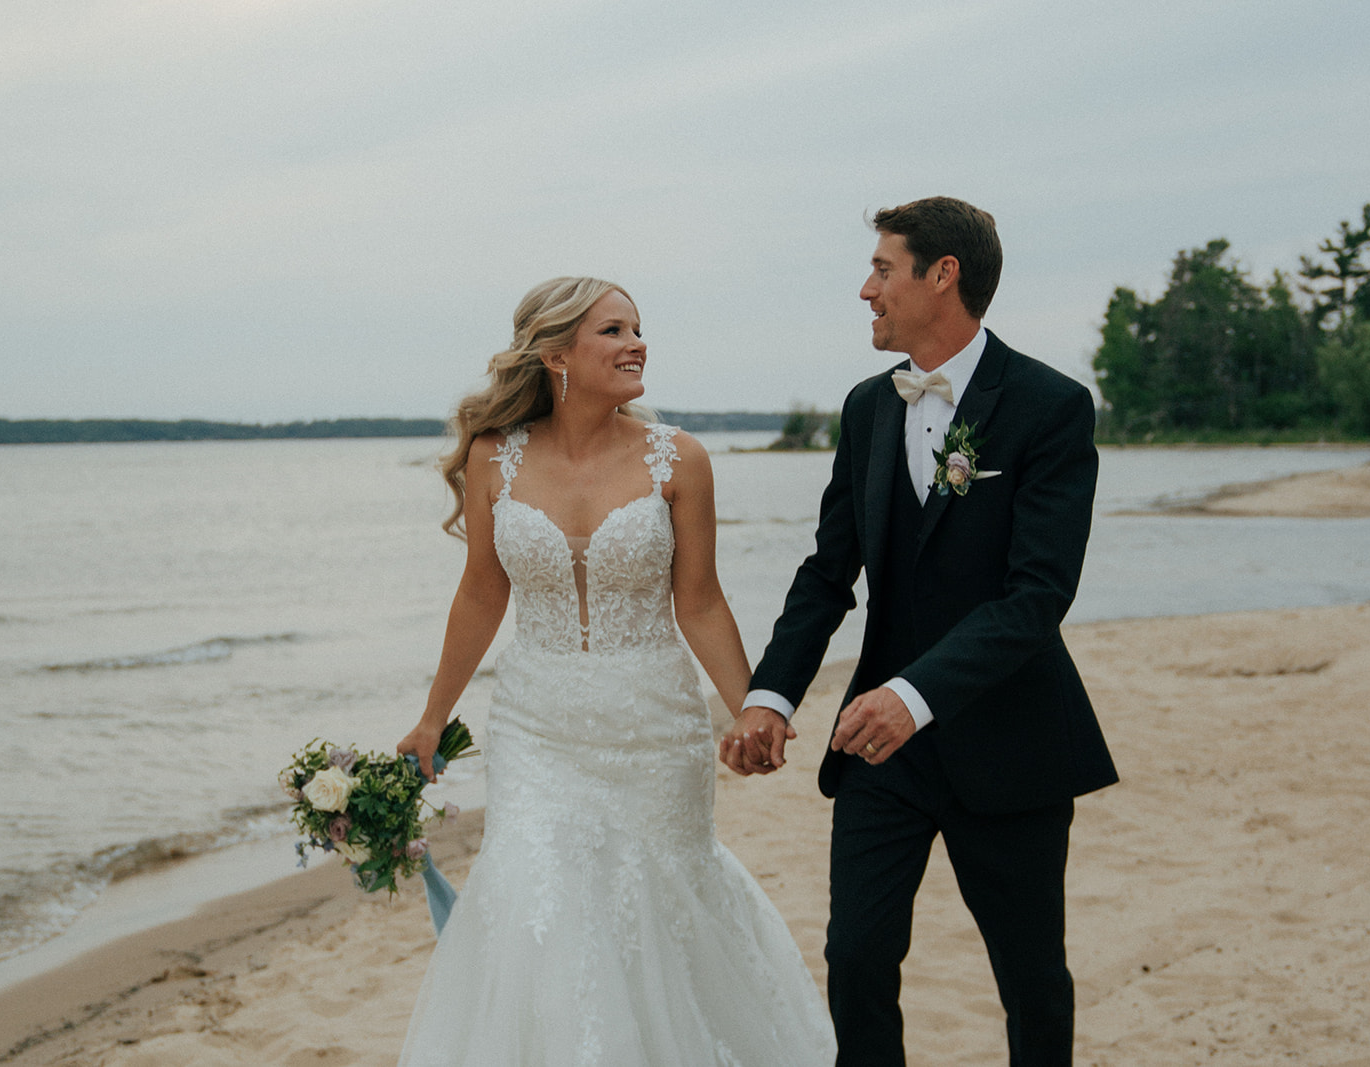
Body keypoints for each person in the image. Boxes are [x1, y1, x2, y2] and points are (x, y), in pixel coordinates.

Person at [395, 277, 836, 1065]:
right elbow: (482, 593)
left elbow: (698, 602)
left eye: (637, 328)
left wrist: (751, 709)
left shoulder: (680, 460)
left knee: (658, 906)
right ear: (557, 353)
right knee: (543, 898)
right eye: (614, 330)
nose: (637, 343)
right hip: (537, 727)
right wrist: (433, 717)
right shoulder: (495, 460)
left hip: (654, 729)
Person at [722, 198, 1119, 1067]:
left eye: (883, 269)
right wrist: (770, 695)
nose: (866, 289)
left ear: (945, 275)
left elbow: (1037, 595)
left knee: (1030, 975)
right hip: (880, 751)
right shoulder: (867, 408)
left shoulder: (1051, 406)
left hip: (1009, 738)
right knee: (856, 957)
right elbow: (830, 571)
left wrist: (916, 695)